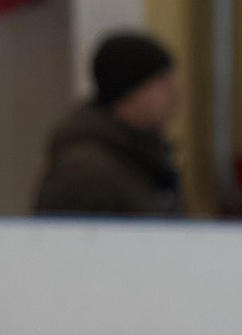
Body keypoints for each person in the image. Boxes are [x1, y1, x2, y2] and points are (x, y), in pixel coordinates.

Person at [33, 31, 183, 217]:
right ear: (132, 90)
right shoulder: (84, 174)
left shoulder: (144, 158)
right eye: (162, 84)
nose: (175, 96)